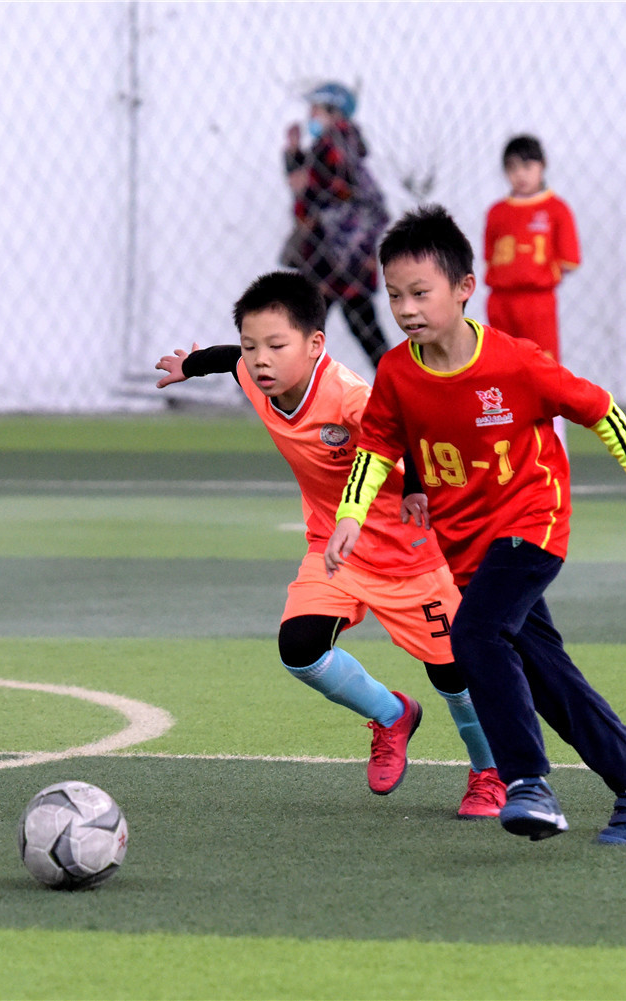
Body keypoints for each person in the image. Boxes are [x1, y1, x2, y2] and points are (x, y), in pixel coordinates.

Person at [325, 205, 626, 845]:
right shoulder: (398, 372)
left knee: (475, 635)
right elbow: (378, 446)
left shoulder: (516, 362)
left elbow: (600, 409)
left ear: (465, 288)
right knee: (542, 672)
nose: (406, 308)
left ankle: (527, 783)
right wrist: (352, 513)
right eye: (395, 295)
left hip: (532, 522)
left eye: (421, 293)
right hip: (467, 546)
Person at [154, 271, 507, 818]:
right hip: (333, 546)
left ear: (315, 344)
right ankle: (393, 715)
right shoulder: (255, 376)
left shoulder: (350, 398)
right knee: (300, 649)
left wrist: (417, 489)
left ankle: (490, 773)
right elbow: (228, 360)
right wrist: (191, 365)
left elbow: (409, 435)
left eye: (276, 346)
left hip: (410, 555)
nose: (261, 359)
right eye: (252, 345)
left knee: (454, 675)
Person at [283, 81, 391, 369]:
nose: (311, 115)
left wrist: (295, 159)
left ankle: (279, 376)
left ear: (333, 112)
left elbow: (308, 190)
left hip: (331, 253)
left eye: (316, 109)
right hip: (347, 255)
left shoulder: (333, 145)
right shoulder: (342, 143)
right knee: (355, 323)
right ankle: (396, 381)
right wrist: (294, 153)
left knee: (309, 321)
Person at [482, 135, 581, 363]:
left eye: (527, 166)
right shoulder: (496, 212)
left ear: (542, 165)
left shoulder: (557, 209)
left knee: (541, 362)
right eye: (512, 168)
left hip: (538, 301)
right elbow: (489, 255)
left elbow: (570, 259)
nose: (520, 174)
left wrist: (538, 273)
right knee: (501, 362)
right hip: (500, 299)